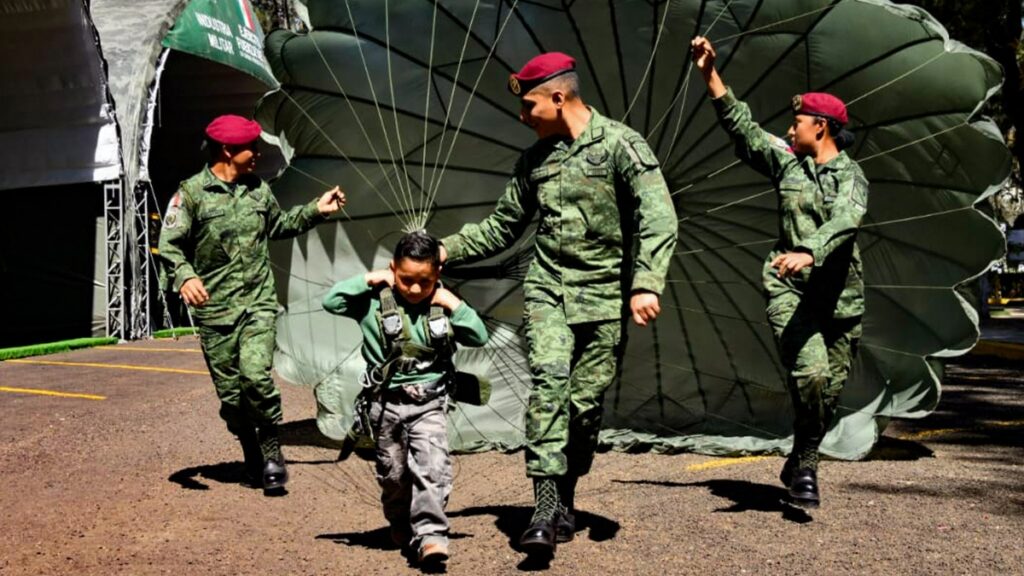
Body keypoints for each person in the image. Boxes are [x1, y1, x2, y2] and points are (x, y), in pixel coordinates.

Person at [439, 52, 678, 556]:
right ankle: (544, 510)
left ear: (558, 97)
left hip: (604, 296)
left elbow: (658, 217)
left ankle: (566, 495)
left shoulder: (621, 146)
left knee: (583, 407)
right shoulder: (533, 162)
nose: (523, 117)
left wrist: (646, 283)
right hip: (547, 289)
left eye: (529, 106)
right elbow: (502, 227)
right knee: (549, 384)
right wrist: (446, 249)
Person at [690, 36, 869, 508]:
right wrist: (710, 74)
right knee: (809, 376)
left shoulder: (853, 176)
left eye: (798, 122)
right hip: (790, 291)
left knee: (827, 394)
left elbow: (845, 220)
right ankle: (809, 467)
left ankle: (800, 455)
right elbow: (745, 130)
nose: (790, 130)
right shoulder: (786, 162)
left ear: (822, 127)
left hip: (841, 302)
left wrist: (811, 251)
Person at [157, 114, 346, 492]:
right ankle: (251, 455)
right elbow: (169, 246)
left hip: (258, 304)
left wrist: (315, 210)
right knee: (231, 398)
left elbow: (277, 225)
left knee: (256, 376)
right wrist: (186, 276)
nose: (257, 153)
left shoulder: (257, 189)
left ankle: (273, 452)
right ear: (228, 150)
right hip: (216, 312)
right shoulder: (192, 194)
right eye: (251, 147)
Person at [321, 230, 489, 567]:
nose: (414, 289)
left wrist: (455, 305)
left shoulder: (443, 303)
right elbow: (332, 301)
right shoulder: (372, 302)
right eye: (405, 279)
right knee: (394, 475)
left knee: (432, 468)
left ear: (437, 275)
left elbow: (478, 336)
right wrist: (371, 279)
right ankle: (400, 523)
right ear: (392, 269)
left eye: (424, 281)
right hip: (385, 405)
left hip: (428, 403)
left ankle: (431, 536)